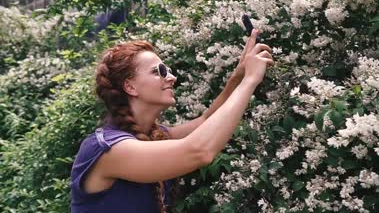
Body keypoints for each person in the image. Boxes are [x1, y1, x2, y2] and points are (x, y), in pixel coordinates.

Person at [70, 29, 274, 213]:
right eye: (159, 71)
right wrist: (250, 81)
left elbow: (206, 120)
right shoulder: (106, 149)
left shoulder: (153, 136)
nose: (172, 77)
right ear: (130, 87)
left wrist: (238, 76)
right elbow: (198, 151)